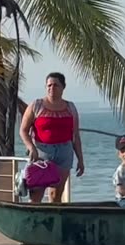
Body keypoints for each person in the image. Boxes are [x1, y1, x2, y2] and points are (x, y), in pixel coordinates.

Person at [19, 73, 84, 203]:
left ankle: (52, 220)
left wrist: (80, 160)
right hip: (42, 152)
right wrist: (31, 147)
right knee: (36, 194)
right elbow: (23, 130)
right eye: (49, 85)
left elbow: (75, 136)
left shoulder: (70, 107)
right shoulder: (36, 105)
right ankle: (34, 220)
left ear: (63, 87)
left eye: (56, 85)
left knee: (56, 194)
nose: (52, 88)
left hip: (64, 152)